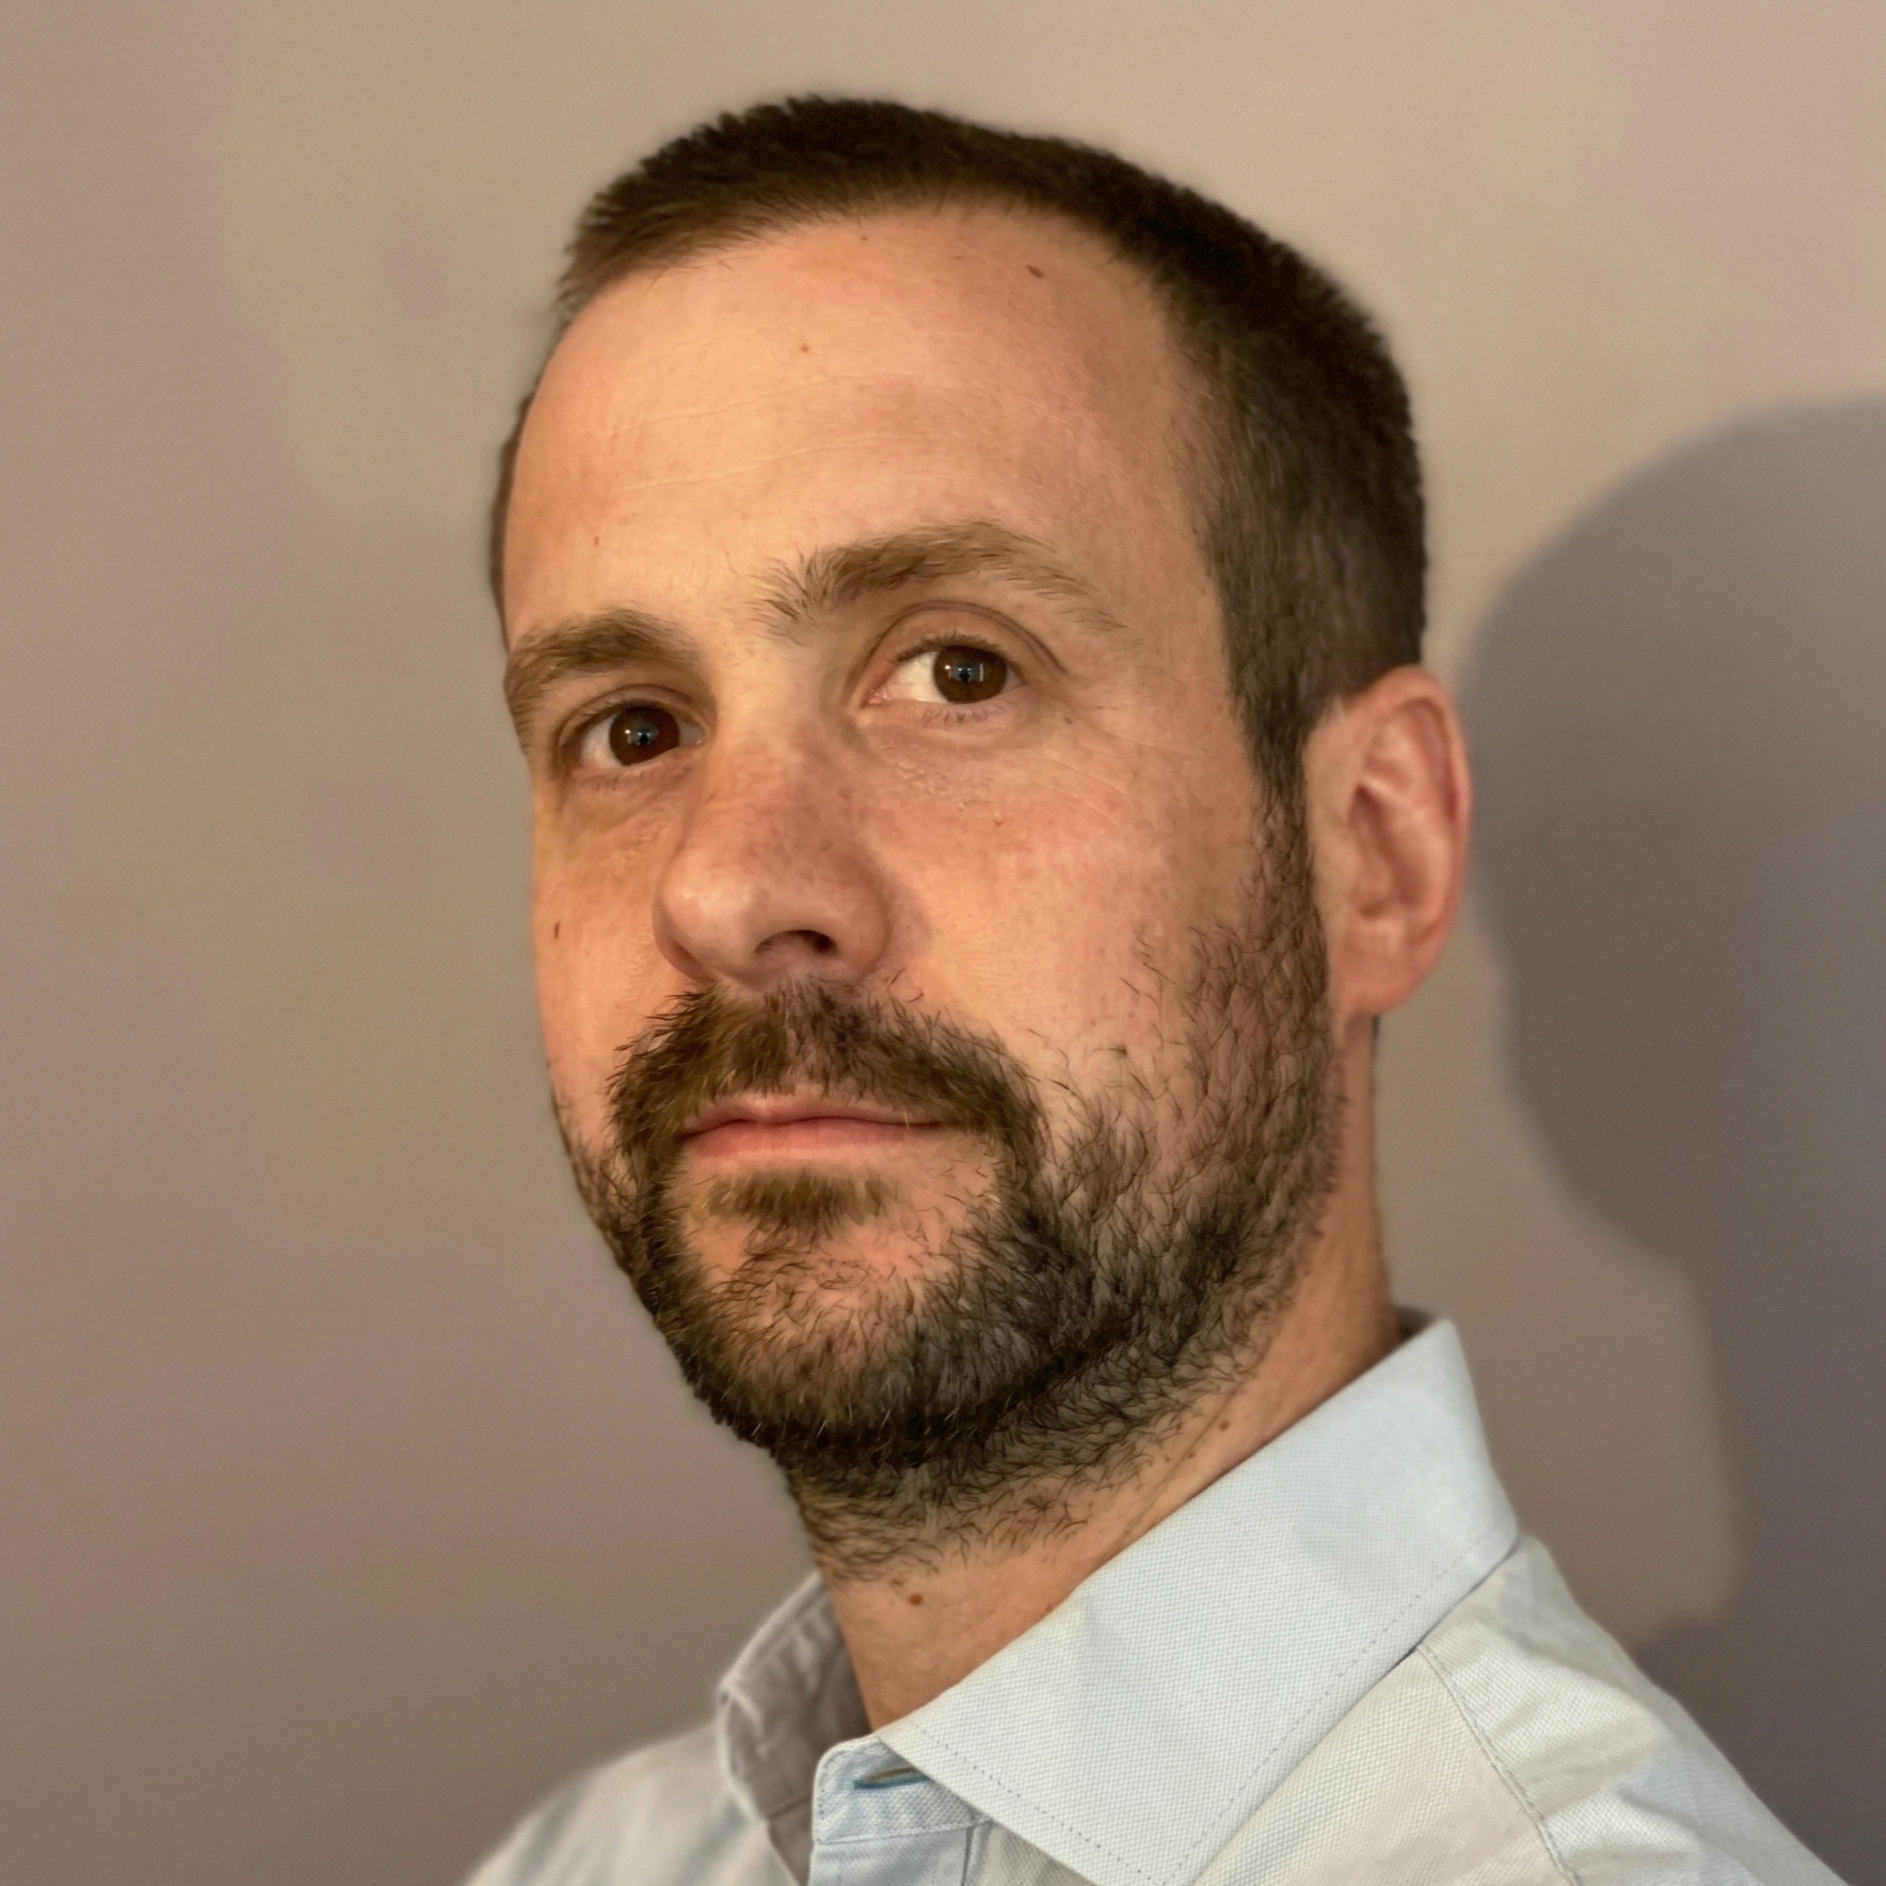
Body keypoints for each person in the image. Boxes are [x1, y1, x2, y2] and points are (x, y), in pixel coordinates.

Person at [465, 97, 1835, 1886]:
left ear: (1372, 851)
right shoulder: (594, 1860)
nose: (724, 885)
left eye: (957, 671)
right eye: (629, 727)